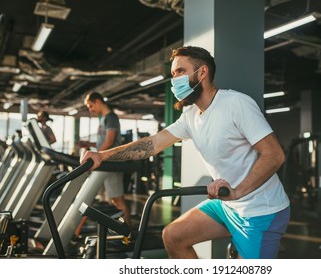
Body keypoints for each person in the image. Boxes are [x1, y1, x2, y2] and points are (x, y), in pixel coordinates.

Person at [80, 46, 290, 259]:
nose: (175, 79)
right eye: (173, 74)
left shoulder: (236, 104)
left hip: (259, 211)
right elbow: (152, 144)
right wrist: (102, 156)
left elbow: (274, 155)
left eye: (180, 71)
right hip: (227, 205)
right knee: (173, 236)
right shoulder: (190, 115)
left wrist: (237, 191)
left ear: (202, 72)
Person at [77, 92, 132, 230]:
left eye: (91, 106)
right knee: (105, 197)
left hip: (112, 163)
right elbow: (103, 141)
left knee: (117, 198)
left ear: (98, 101)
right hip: (104, 163)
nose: (90, 109)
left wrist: (95, 154)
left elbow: (110, 141)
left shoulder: (111, 117)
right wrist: (89, 144)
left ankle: (128, 231)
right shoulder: (104, 119)